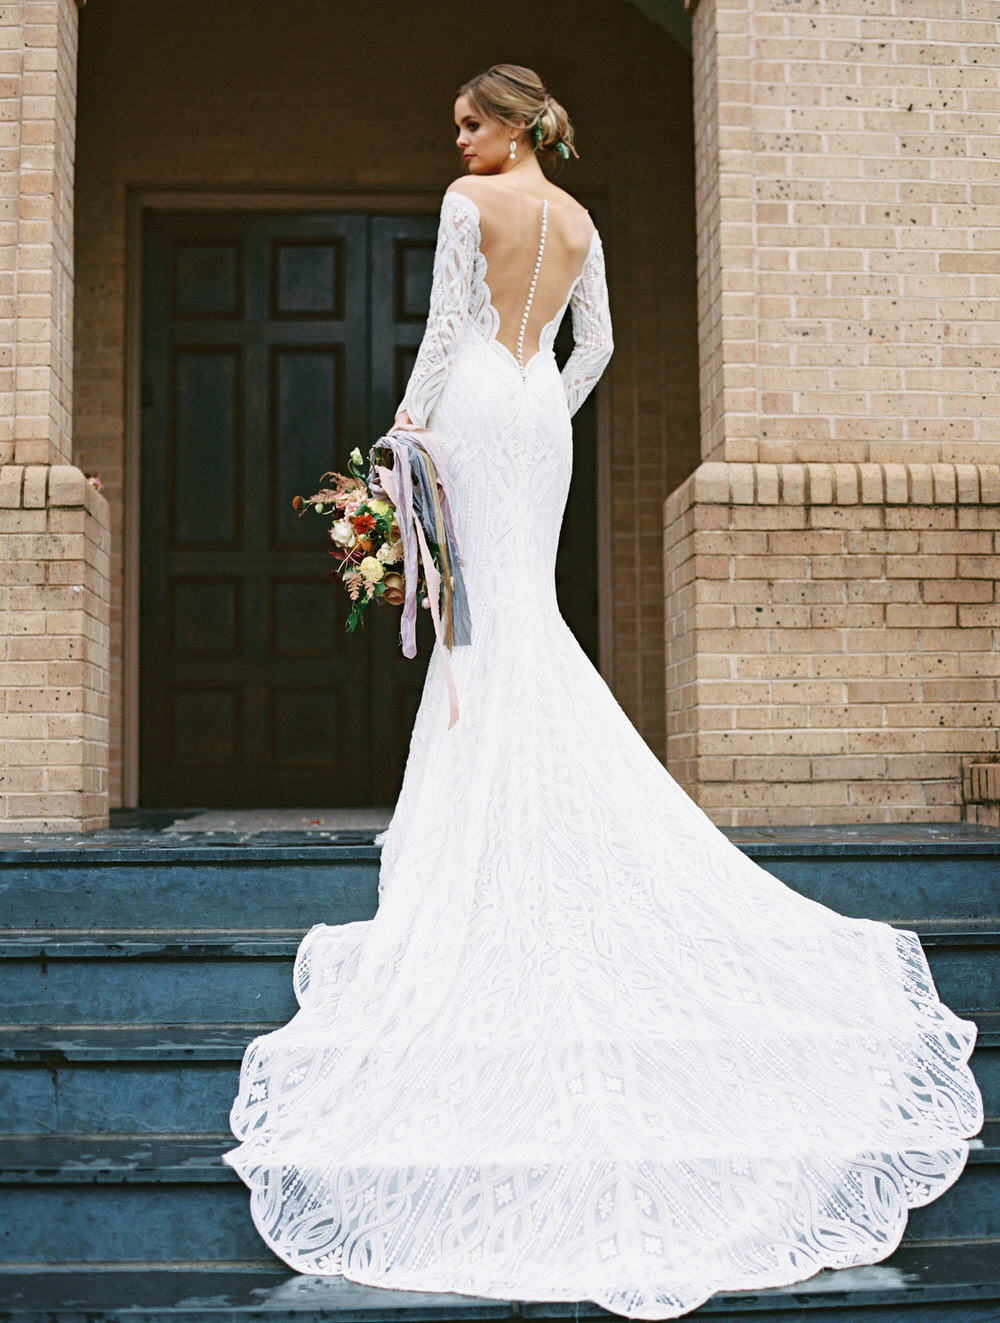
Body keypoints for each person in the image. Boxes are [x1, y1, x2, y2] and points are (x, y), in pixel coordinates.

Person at [222, 64, 983, 1320]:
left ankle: (495, 840)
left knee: (485, 629)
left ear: (515, 125)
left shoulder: (469, 212)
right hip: (538, 420)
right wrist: (542, 408)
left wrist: (397, 453)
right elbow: (604, 346)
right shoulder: (578, 222)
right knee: (525, 611)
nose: (457, 142)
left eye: (470, 123)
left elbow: (441, 336)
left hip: (474, 406)